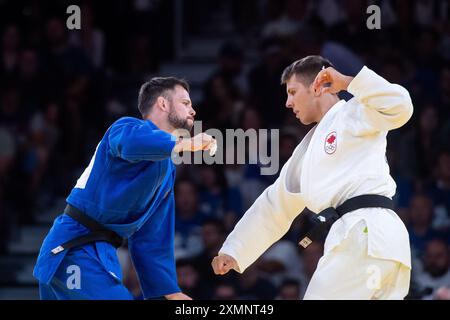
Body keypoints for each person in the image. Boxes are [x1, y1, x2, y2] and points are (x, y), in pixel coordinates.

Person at [212, 55, 414, 299]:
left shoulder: (353, 113)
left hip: (363, 236)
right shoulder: (308, 149)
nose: (288, 102)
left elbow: (401, 106)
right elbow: (276, 203)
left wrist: (350, 82)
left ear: (318, 86)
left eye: (293, 91)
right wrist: (234, 249)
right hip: (382, 245)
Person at [34, 77, 216, 300]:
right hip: (74, 248)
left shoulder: (166, 169)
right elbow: (131, 144)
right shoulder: (125, 128)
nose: (193, 110)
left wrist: (170, 290)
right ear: (163, 104)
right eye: (186, 103)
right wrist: (181, 144)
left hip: (98, 255)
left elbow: (153, 236)